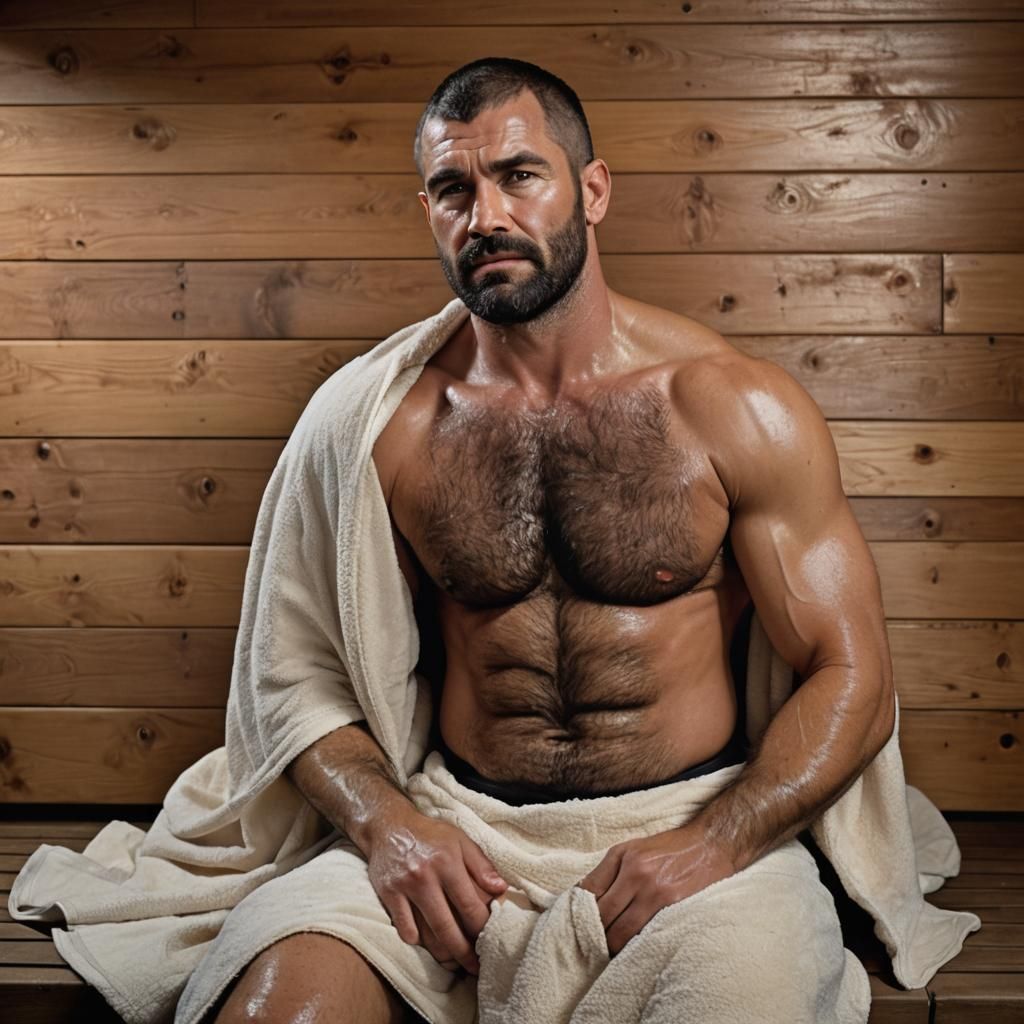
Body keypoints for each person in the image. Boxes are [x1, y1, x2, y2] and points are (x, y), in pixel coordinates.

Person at [208, 57, 896, 1023]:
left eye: (518, 175)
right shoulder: (381, 425)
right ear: (429, 210)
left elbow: (851, 670)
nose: (485, 214)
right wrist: (391, 826)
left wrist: (720, 841)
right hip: (459, 827)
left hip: (685, 829)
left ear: (593, 190)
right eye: (454, 188)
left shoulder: (733, 406)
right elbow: (294, 677)